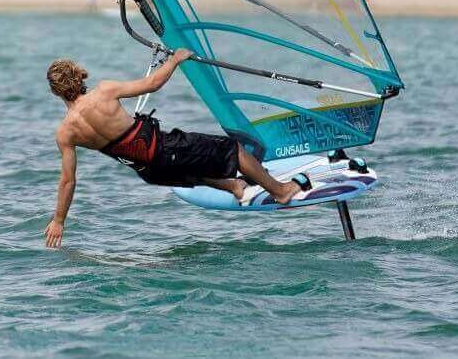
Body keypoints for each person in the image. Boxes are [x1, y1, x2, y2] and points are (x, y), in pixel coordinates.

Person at [43, 52, 309, 247]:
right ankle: (281, 191)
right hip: (164, 150)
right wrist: (175, 60)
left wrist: (59, 221)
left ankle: (233, 187)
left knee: (186, 165)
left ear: (56, 92)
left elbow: (68, 181)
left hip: (149, 172)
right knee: (233, 149)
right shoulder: (104, 92)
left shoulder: (66, 132)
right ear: (79, 77)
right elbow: (153, 84)